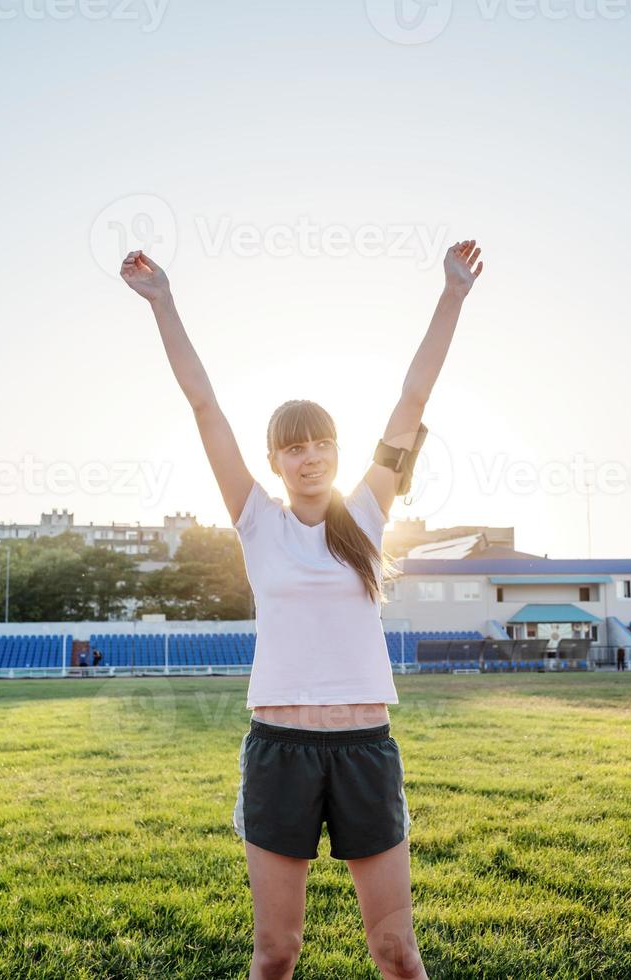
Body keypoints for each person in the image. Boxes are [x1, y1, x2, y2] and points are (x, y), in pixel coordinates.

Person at [120, 238, 483, 979]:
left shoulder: (370, 515)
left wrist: (452, 292)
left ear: (338, 453)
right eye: (293, 447)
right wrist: (164, 303)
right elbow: (204, 404)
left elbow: (413, 401)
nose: (309, 456)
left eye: (321, 444)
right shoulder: (256, 520)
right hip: (280, 749)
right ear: (275, 459)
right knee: (276, 953)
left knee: (396, 952)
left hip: (364, 751)